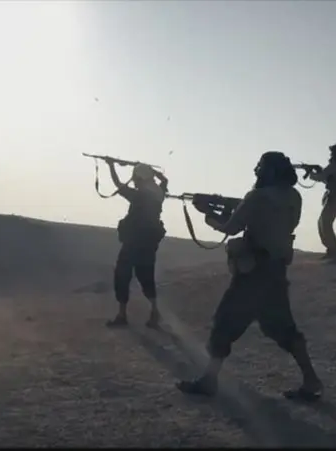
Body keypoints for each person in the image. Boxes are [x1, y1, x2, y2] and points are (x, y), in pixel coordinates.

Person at [176, 151, 324, 402]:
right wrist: (232, 210)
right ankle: (311, 380)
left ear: (269, 171)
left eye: (260, 167)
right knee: (284, 329)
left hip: (253, 273)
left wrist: (208, 215)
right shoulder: (293, 196)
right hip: (276, 271)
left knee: (224, 323)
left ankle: (209, 380)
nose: (257, 171)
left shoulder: (257, 197)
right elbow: (266, 222)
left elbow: (230, 227)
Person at [104, 159, 169, 329]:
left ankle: (122, 314)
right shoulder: (158, 194)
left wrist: (111, 166)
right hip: (148, 244)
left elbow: (118, 184)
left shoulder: (140, 196)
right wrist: (152, 172)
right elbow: (164, 180)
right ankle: (154, 312)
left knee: (122, 275)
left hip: (134, 243)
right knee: (146, 277)